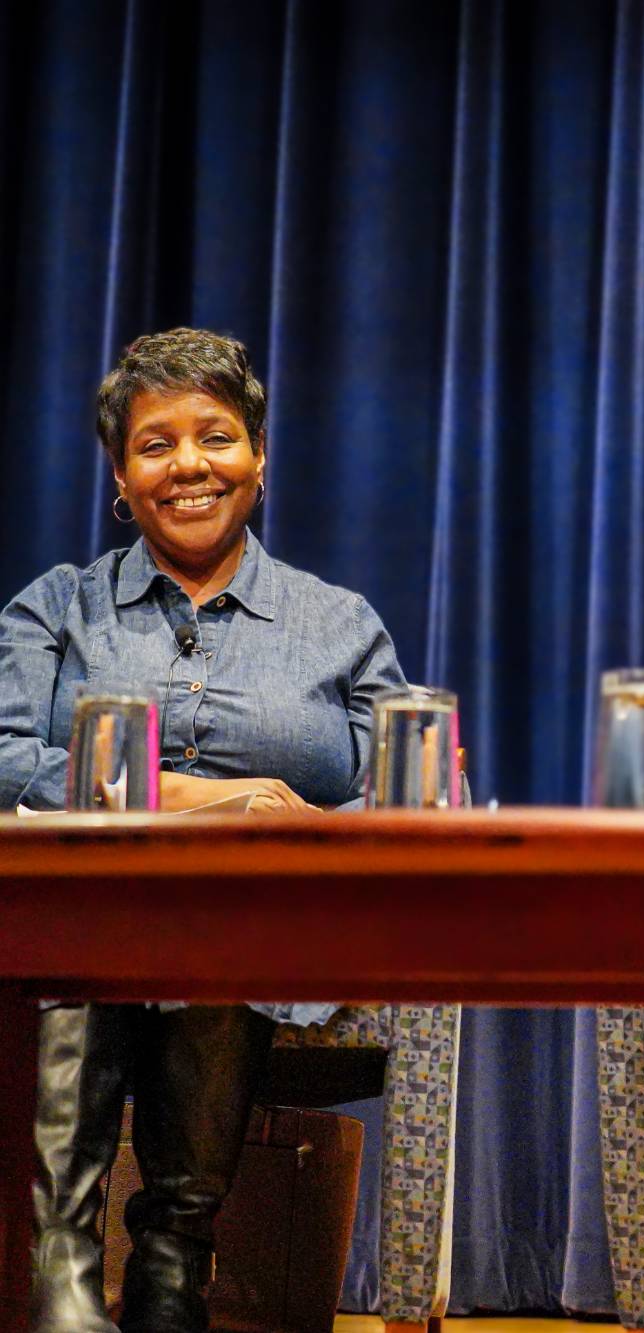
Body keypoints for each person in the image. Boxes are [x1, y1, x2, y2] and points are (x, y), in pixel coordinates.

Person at [0, 328, 408, 1333]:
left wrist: (286, 838)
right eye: (156, 444)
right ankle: (62, 1267)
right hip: (76, 926)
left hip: (266, 933)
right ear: (121, 476)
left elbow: (406, 798)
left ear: (259, 459)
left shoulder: (341, 623)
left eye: (216, 437)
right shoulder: (55, 609)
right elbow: (6, 760)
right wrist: (203, 799)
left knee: (216, 927)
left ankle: (175, 1262)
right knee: (83, 928)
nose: (189, 464)